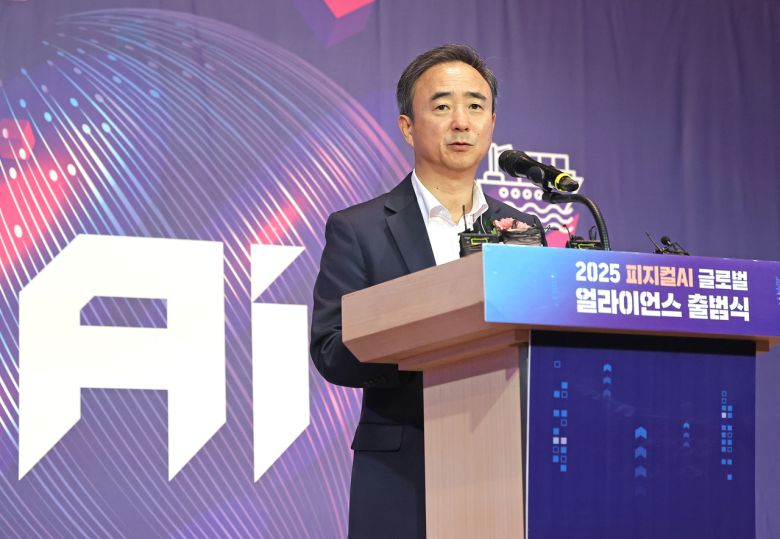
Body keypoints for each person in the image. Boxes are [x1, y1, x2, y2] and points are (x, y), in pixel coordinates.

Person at [310, 44, 545, 538]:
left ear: (491, 124)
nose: (461, 122)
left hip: (508, 461)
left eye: (475, 107)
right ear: (408, 127)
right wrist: (424, 344)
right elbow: (331, 349)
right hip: (403, 467)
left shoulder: (524, 230)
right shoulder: (360, 228)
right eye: (442, 106)